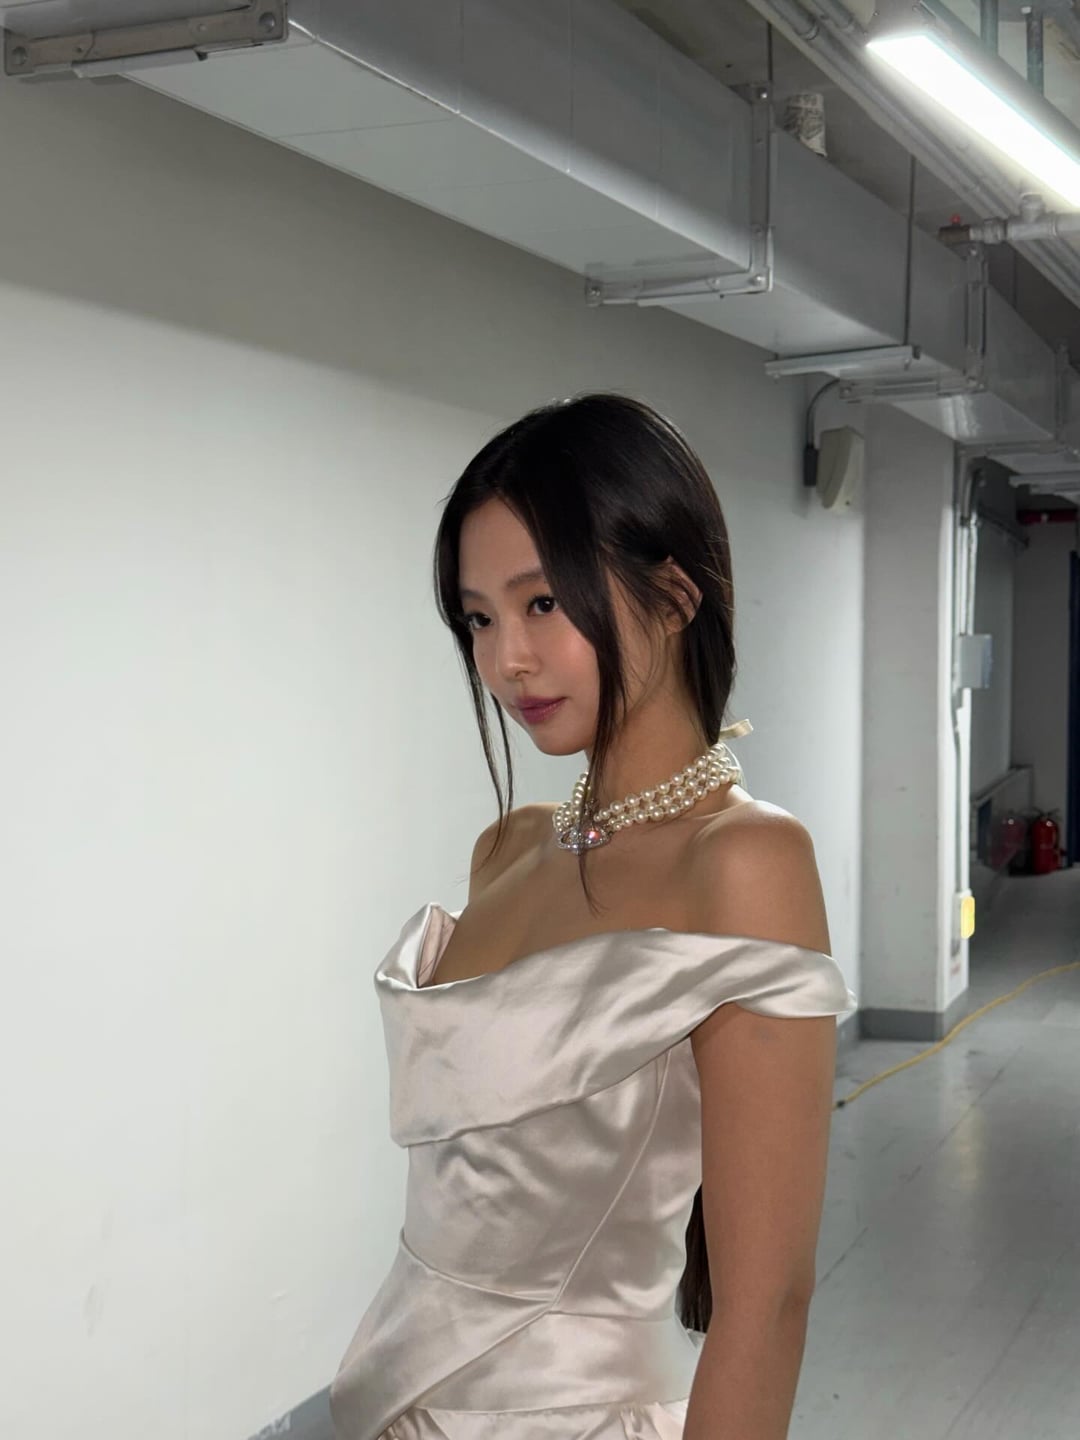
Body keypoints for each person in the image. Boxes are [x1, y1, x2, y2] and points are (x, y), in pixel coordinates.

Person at [329, 393, 857, 1440]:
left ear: (674, 593)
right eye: (479, 618)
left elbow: (767, 1306)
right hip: (392, 1403)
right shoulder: (508, 849)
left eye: (541, 603)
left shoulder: (744, 863)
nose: (506, 661)